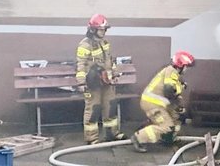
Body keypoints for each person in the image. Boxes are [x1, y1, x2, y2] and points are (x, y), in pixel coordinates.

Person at [75, 13, 127, 145]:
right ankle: (92, 138)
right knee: (94, 110)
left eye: (104, 29)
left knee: (110, 107)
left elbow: (110, 60)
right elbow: (81, 65)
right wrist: (81, 83)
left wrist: (114, 74)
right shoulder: (84, 45)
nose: (103, 32)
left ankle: (112, 133)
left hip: (106, 82)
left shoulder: (105, 43)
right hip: (93, 84)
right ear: (93, 29)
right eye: (101, 29)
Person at [130, 50, 195, 153]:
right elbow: (169, 90)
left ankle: (168, 138)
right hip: (152, 104)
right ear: (181, 65)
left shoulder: (174, 75)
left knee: (176, 118)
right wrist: (177, 99)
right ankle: (139, 137)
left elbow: (172, 95)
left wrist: (178, 108)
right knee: (167, 127)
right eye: (187, 67)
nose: (187, 70)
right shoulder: (171, 72)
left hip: (158, 104)